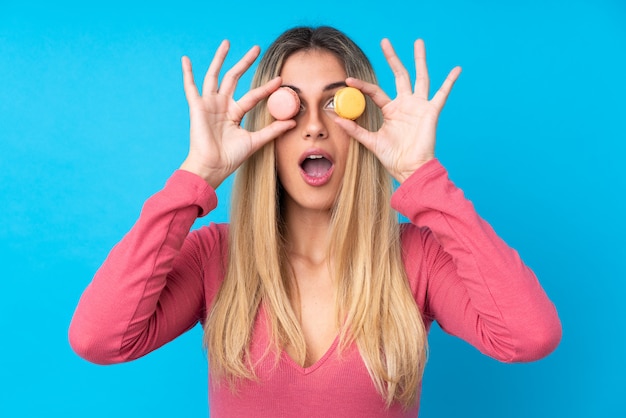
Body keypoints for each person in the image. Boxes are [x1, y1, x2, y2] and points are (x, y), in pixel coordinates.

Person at [69, 26, 562, 417]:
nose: (313, 125)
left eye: (334, 102)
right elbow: (99, 339)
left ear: (362, 126)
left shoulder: (415, 258)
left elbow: (529, 336)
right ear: (266, 129)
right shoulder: (214, 257)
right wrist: (197, 174)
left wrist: (423, 179)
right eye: (291, 104)